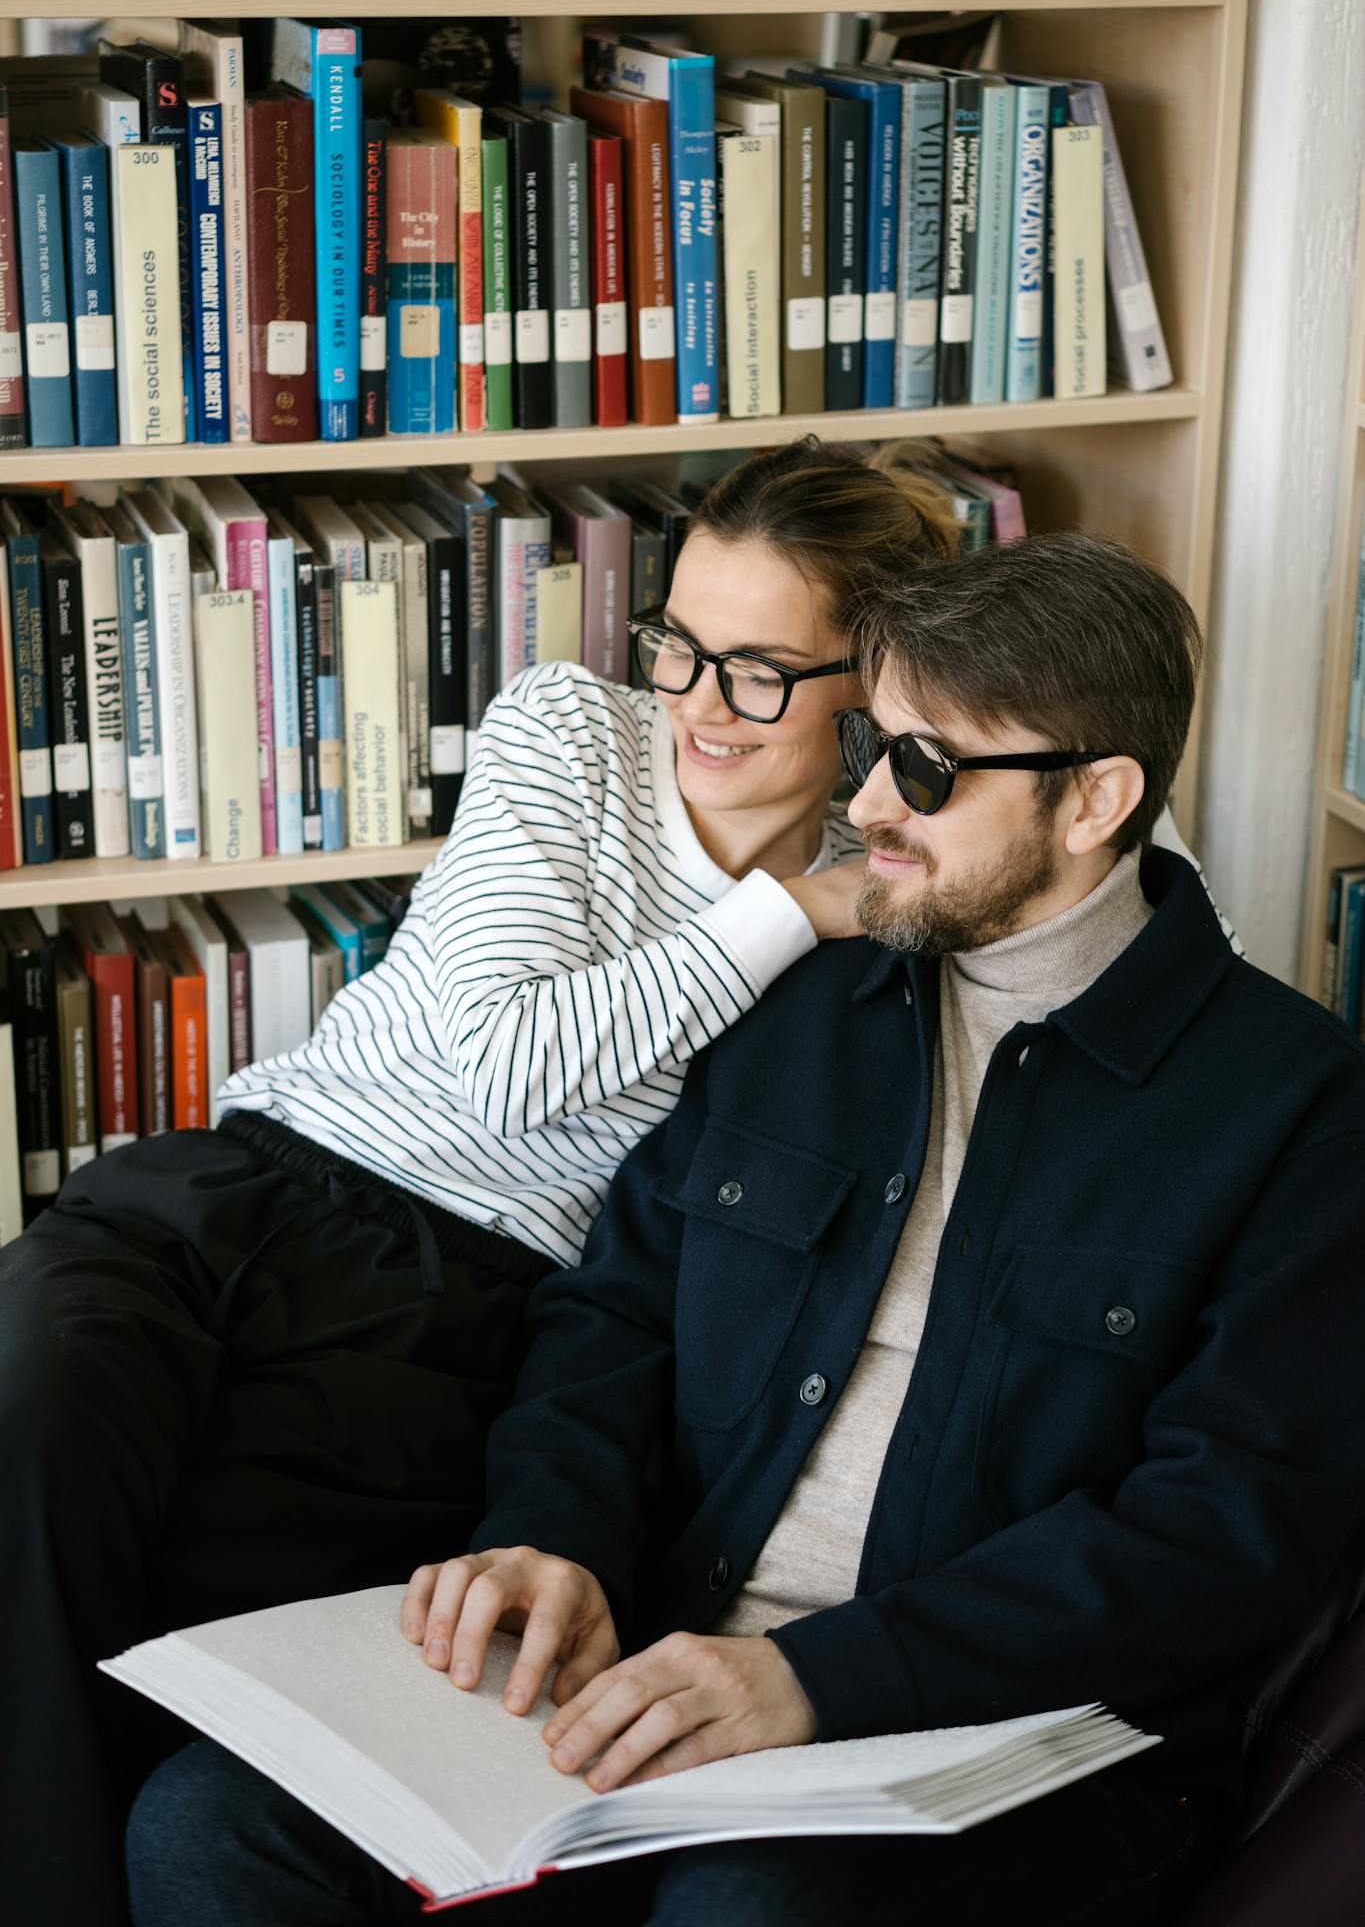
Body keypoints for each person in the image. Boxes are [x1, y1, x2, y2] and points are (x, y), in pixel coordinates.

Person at [128, 530, 1365, 1926]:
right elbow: (616, 1314)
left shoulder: (1296, 1109)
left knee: (750, 1909)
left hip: (1002, 1747)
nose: (875, 809)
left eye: (931, 769)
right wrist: (556, 1541)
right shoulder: (802, 1009)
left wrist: (815, 1679)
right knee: (214, 1826)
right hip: (666, 1674)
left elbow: (1227, 1528)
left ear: (1095, 800)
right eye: (875, 749)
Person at [0, 441, 973, 1927]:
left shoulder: (900, 863)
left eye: (761, 671)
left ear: (881, 685)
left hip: (474, 1295)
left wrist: (845, 877)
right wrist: (788, 910)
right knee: (29, 1410)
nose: (700, 708)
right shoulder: (572, 733)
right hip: (253, 1183)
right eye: (683, 648)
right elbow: (502, 1065)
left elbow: (1134, 871)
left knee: (216, 1606)